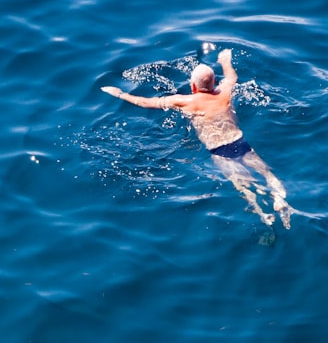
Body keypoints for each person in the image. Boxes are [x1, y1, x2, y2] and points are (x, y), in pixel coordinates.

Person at [101, 49, 292, 229]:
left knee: (244, 186)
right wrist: (225, 60)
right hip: (240, 142)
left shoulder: (184, 101)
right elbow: (232, 77)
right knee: (267, 173)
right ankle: (279, 198)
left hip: (219, 151)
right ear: (215, 81)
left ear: (193, 86)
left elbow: (145, 103)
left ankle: (263, 214)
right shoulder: (224, 92)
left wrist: (120, 93)